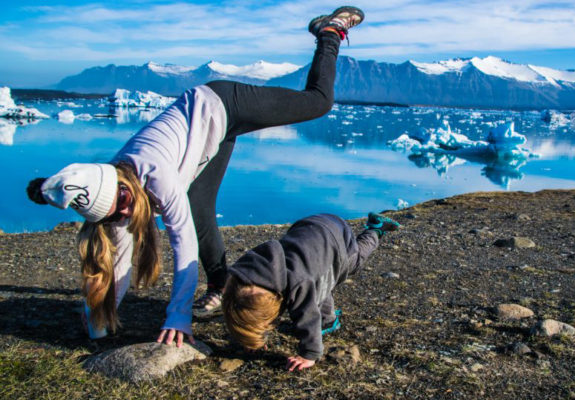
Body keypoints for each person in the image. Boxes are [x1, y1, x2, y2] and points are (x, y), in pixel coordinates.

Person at [24, 6, 365, 347]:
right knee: (200, 207)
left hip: (222, 103)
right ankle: (221, 286)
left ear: (121, 183)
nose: (125, 213)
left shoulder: (153, 172)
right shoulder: (114, 196)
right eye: (117, 214)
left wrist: (178, 315)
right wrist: (96, 318)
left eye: (124, 202)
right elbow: (118, 259)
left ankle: (329, 31)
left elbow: (182, 243)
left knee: (318, 101)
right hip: (206, 139)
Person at [223, 212, 400, 371]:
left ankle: (375, 229)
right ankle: (329, 319)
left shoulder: (298, 282)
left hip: (339, 238)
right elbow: (250, 303)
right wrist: (255, 335)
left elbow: (308, 316)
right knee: (320, 280)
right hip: (311, 226)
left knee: (354, 261)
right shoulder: (249, 272)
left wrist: (309, 354)